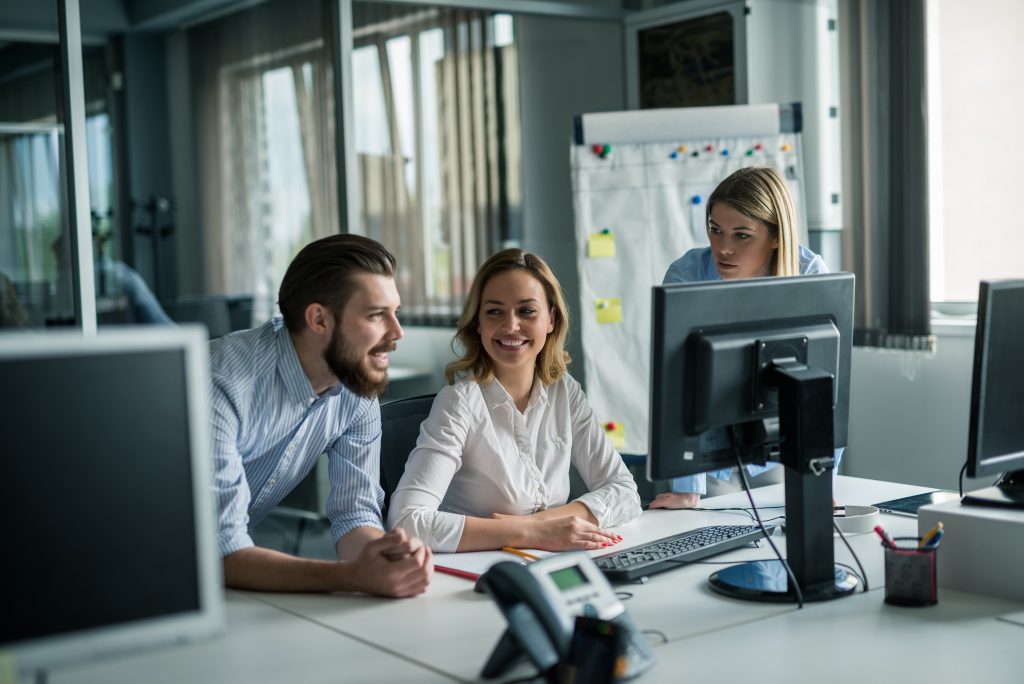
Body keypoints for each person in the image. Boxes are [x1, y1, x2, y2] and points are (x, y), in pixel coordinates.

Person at [212, 234, 432, 596]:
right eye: (377, 315)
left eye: (396, 313)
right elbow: (221, 551)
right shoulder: (222, 385)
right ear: (319, 319)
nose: (397, 333)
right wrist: (353, 577)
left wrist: (383, 558)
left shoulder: (355, 387)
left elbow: (354, 514)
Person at [388, 249, 642, 553]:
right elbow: (407, 522)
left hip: (549, 563)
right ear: (478, 323)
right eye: (494, 312)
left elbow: (624, 491)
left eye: (527, 311)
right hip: (480, 576)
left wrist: (543, 525)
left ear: (551, 319)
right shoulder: (459, 403)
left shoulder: (564, 391)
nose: (510, 326)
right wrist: (528, 533)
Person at [649, 166, 841, 510]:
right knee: (710, 539)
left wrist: (820, 477)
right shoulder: (686, 277)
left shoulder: (809, 273)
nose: (723, 248)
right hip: (707, 454)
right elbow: (677, 383)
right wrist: (685, 486)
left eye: (741, 235)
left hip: (782, 445)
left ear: (777, 236)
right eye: (715, 230)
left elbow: (827, 385)